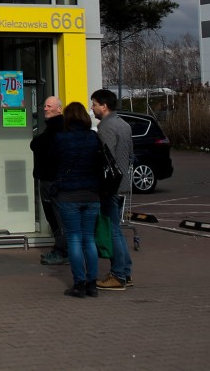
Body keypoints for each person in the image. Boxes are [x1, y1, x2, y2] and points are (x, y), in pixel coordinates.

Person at [52, 101, 103, 297]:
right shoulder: (93, 138)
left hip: (68, 194)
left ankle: (79, 283)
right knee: (88, 239)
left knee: (74, 238)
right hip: (91, 194)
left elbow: (52, 163)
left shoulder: (61, 139)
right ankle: (92, 284)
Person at [91, 88, 135, 290]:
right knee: (117, 229)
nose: (92, 109)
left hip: (110, 186)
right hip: (123, 184)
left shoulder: (106, 128)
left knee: (113, 231)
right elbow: (129, 156)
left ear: (104, 106)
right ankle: (125, 272)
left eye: (94, 104)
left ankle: (118, 274)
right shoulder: (124, 125)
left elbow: (103, 159)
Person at [30, 95, 67, 266]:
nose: (45, 108)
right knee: (53, 215)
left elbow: (39, 145)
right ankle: (62, 247)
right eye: (44, 105)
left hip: (52, 180)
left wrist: (36, 142)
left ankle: (62, 250)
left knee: (55, 215)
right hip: (49, 178)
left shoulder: (57, 128)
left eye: (49, 105)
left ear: (59, 109)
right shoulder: (53, 128)